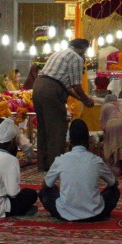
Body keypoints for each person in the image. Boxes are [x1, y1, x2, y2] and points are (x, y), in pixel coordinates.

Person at [40, 119, 120, 221]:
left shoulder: (61, 159)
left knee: (45, 192)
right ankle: (100, 211)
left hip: (65, 213)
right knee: (114, 191)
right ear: (88, 139)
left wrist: (56, 188)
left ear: (70, 140)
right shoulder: (96, 160)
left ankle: (64, 211)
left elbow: (45, 185)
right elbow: (114, 183)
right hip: (95, 214)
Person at [34, 38, 95, 171]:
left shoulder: (59, 53)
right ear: (82, 49)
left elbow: (66, 86)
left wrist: (81, 99)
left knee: (44, 128)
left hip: (38, 87)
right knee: (57, 129)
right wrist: (86, 100)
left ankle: (43, 165)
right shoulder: (76, 58)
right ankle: (56, 166)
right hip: (51, 91)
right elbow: (76, 85)